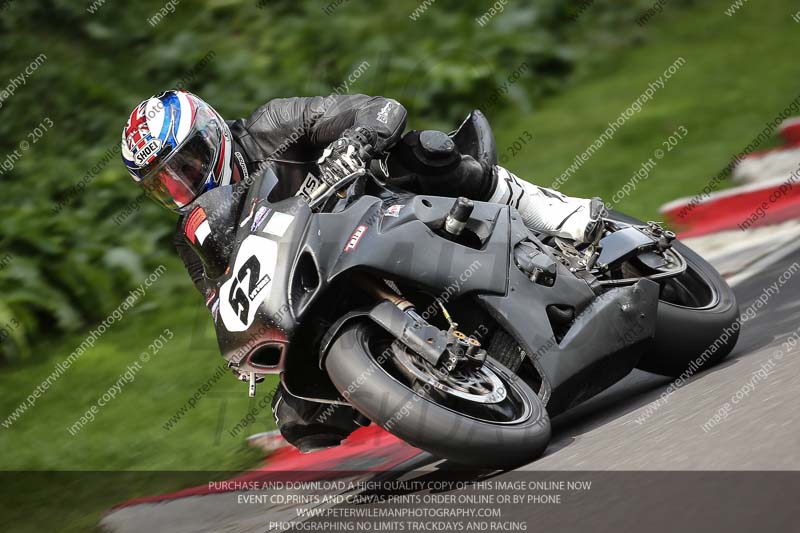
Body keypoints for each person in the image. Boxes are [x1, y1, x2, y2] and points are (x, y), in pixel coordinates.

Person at [121, 89, 605, 452]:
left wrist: (351, 146)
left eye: (188, 163)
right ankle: (420, 390)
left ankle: (562, 216)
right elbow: (226, 300)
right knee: (299, 417)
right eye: (166, 183)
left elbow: (379, 109)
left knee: (425, 150)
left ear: (213, 133)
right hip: (324, 286)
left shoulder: (271, 126)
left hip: (387, 209)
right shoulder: (196, 233)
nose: (184, 183)